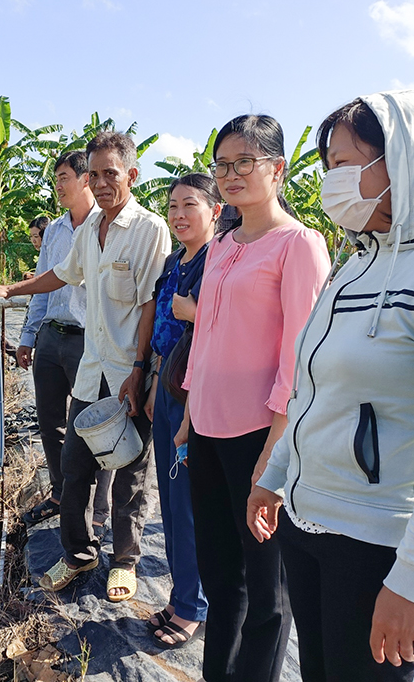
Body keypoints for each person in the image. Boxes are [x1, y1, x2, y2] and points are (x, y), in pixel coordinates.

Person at [247, 89, 414, 681]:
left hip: (376, 547)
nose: (333, 180)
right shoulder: (351, 270)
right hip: (306, 523)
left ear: (409, 161)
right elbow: (309, 392)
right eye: (329, 166)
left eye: (347, 164)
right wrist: (274, 476)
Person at [0, 131, 170, 602]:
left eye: (111, 173)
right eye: (95, 174)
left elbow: (150, 304)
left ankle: (124, 561)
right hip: (93, 368)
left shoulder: (149, 230)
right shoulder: (89, 231)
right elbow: (61, 275)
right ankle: (78, 554)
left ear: (131, 174)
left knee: (129, 470)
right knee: (74, 463)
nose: (102, 183)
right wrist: (10, 289)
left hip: (129, 369)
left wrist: (141, 367)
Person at [174, 115, 330, 682]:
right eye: (223, 165)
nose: (232, 174)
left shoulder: (298, 246)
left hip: (259, 436)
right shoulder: (221, 246)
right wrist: (190, 413)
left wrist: (276, 453)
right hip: (209, 431)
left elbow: (300, 358)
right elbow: (206, 340)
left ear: (278, 169)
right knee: (220, 576)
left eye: (245, 162)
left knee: (267, 589)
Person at [17, 152, 113, 537]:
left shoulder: (104, 227)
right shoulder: (55, 230)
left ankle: (99, 506)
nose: (57, 185)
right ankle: (60, 494)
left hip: (90, 341)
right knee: (50, 422)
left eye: (63, 177)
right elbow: (42, 285)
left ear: (85, 179)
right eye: (55, 178)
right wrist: (28, 335)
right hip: (52, 338)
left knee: (97, 423)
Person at [141, 173, 219, 648]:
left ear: (214, 211)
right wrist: (151, 379)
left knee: (190, 503)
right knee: (169, 503)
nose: (178, 215)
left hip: (199, 392)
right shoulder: (174, 260)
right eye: (172, 206)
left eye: (189, 205)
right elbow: (163, 326)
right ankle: (180, 594)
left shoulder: (220, 259)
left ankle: (194, 606)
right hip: (167, 383)